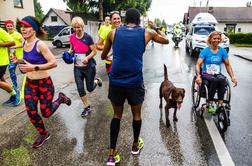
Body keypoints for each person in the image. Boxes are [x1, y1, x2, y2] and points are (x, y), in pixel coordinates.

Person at [101, 8, 169, 166]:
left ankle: (112, 155)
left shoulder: (113, 33)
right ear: (139, 20)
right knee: (136, 114)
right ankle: (134, 146)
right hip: (134, 82)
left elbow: (103, 56)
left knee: (116, 116)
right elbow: (166, 40)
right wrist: (156, 27)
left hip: (116, 81)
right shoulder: (147, 33)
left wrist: (111, 55)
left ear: (125, 20)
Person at [17, 16, 72, 148]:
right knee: (31, 111)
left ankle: (61, 99)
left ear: (34, 30)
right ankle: (43, 133)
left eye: (26, 26)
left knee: (46, 113)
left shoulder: (40, 44)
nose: (22, 29)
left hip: (44, 84)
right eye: (21, 26)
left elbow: (53, 63)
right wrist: (19, 61)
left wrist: (33, 67)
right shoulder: (24, 43)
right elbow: (29, 60)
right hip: (30, 83)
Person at [195, 31, 237, 114]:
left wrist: (232, 77)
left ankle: (220, 105)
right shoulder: (205, 51)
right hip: (206, 74)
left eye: (218, 38)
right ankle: (210, 104)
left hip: (217, 74)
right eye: (214, 38)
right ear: (210, 39)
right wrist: (198, 76)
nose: (216, 40)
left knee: (222, 79)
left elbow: (227, 65)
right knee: (215, 80)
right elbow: (198, 64)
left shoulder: (222, 51)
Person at [68, 16, 102, 117]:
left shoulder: (88, 37)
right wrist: (68, 53)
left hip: (89, 67)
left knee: (90, 88)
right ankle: (87, 107)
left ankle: (97, 80)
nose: (77, 29)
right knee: (80, 88)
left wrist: (87, 58)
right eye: (74, 27)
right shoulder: (72, 37)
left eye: (78, 27)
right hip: (77, 67)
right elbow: (72, 48)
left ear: (82, 26)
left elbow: (94, 51)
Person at [0, 27, 21, 106]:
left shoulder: (0, 31)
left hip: (1, 61)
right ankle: (13, 94)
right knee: (3, 80)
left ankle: (16, 94)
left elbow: (12, 43)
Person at [5, 20, 23, 97]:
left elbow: (24, 44)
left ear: (13, 26)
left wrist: (14, 47)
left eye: (11, 26)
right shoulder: (6, 35)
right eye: (8, 26)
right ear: (6, 27)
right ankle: (16, 88)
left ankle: (32, 83)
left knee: (24, 71)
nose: (9, 27)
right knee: (11, 71)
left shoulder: (17, 34)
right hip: (12, 57)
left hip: (21, 57)